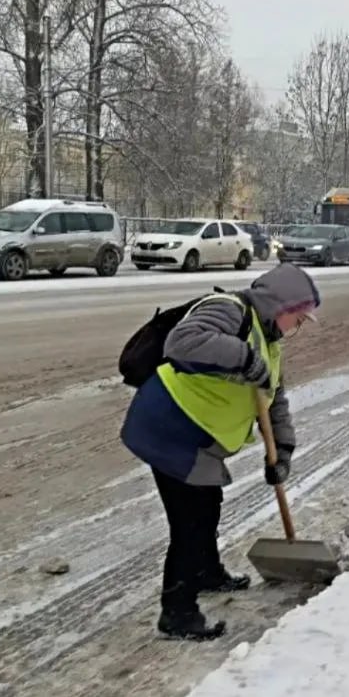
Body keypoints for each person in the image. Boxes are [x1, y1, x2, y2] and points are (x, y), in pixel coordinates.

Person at [120, 263, 321, 640]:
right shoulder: (230, 309)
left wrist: (283, 451)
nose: (299, 327)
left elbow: (274, 401)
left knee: (207, 504)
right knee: (190, 523)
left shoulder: (269, 343)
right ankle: (178, 613)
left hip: (197, 437)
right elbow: (182, 341)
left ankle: (207, 573)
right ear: (281, 306)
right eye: (299, 318)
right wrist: (244, 359)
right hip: (169, 427)